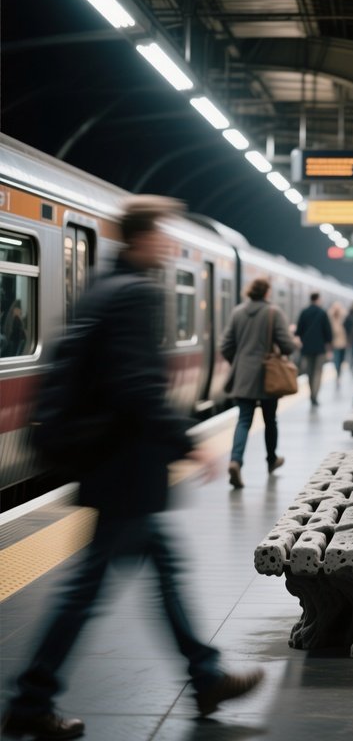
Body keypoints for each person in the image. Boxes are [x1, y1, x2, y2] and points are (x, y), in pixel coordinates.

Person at [1, 195, 263, 740]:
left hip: (115, 464)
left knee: (160, 572)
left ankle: (204, 673)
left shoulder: (103, 287)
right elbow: (136, 386)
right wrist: (189, 442)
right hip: (126, 466)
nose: (170, 245)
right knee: (88, 589)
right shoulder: (136, 295)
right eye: (164, 234)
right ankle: (32, 698)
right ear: (144, 238)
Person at [221, 277, 295, 487]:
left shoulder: (237, 312)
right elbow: (288, 346)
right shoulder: (273, 312)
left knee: (244, 420)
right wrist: (293, 341)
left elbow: (225, 345)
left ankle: (235, 461)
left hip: (243, 376)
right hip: (267, 376)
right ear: (266, 293)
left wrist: (239, 362)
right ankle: (272, 460)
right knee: (270, 420)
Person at [295, 292, 333, 407]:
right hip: (319, 348)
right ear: (318, 299)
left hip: (306, 348)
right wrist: (329, 346)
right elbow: (328, 333)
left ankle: (311, 393)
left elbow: (298, 331)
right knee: (317, 372)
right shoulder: (322, 313)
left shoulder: (304, 312)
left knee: (309, 372)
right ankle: (314, 396)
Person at [328, 301, 348, 383]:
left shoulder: (343, 318)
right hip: (335, 342)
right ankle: (337, 373)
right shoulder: (330, 319)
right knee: (336, 359)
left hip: (343, 342)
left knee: (341, 359)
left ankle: (339, 372)